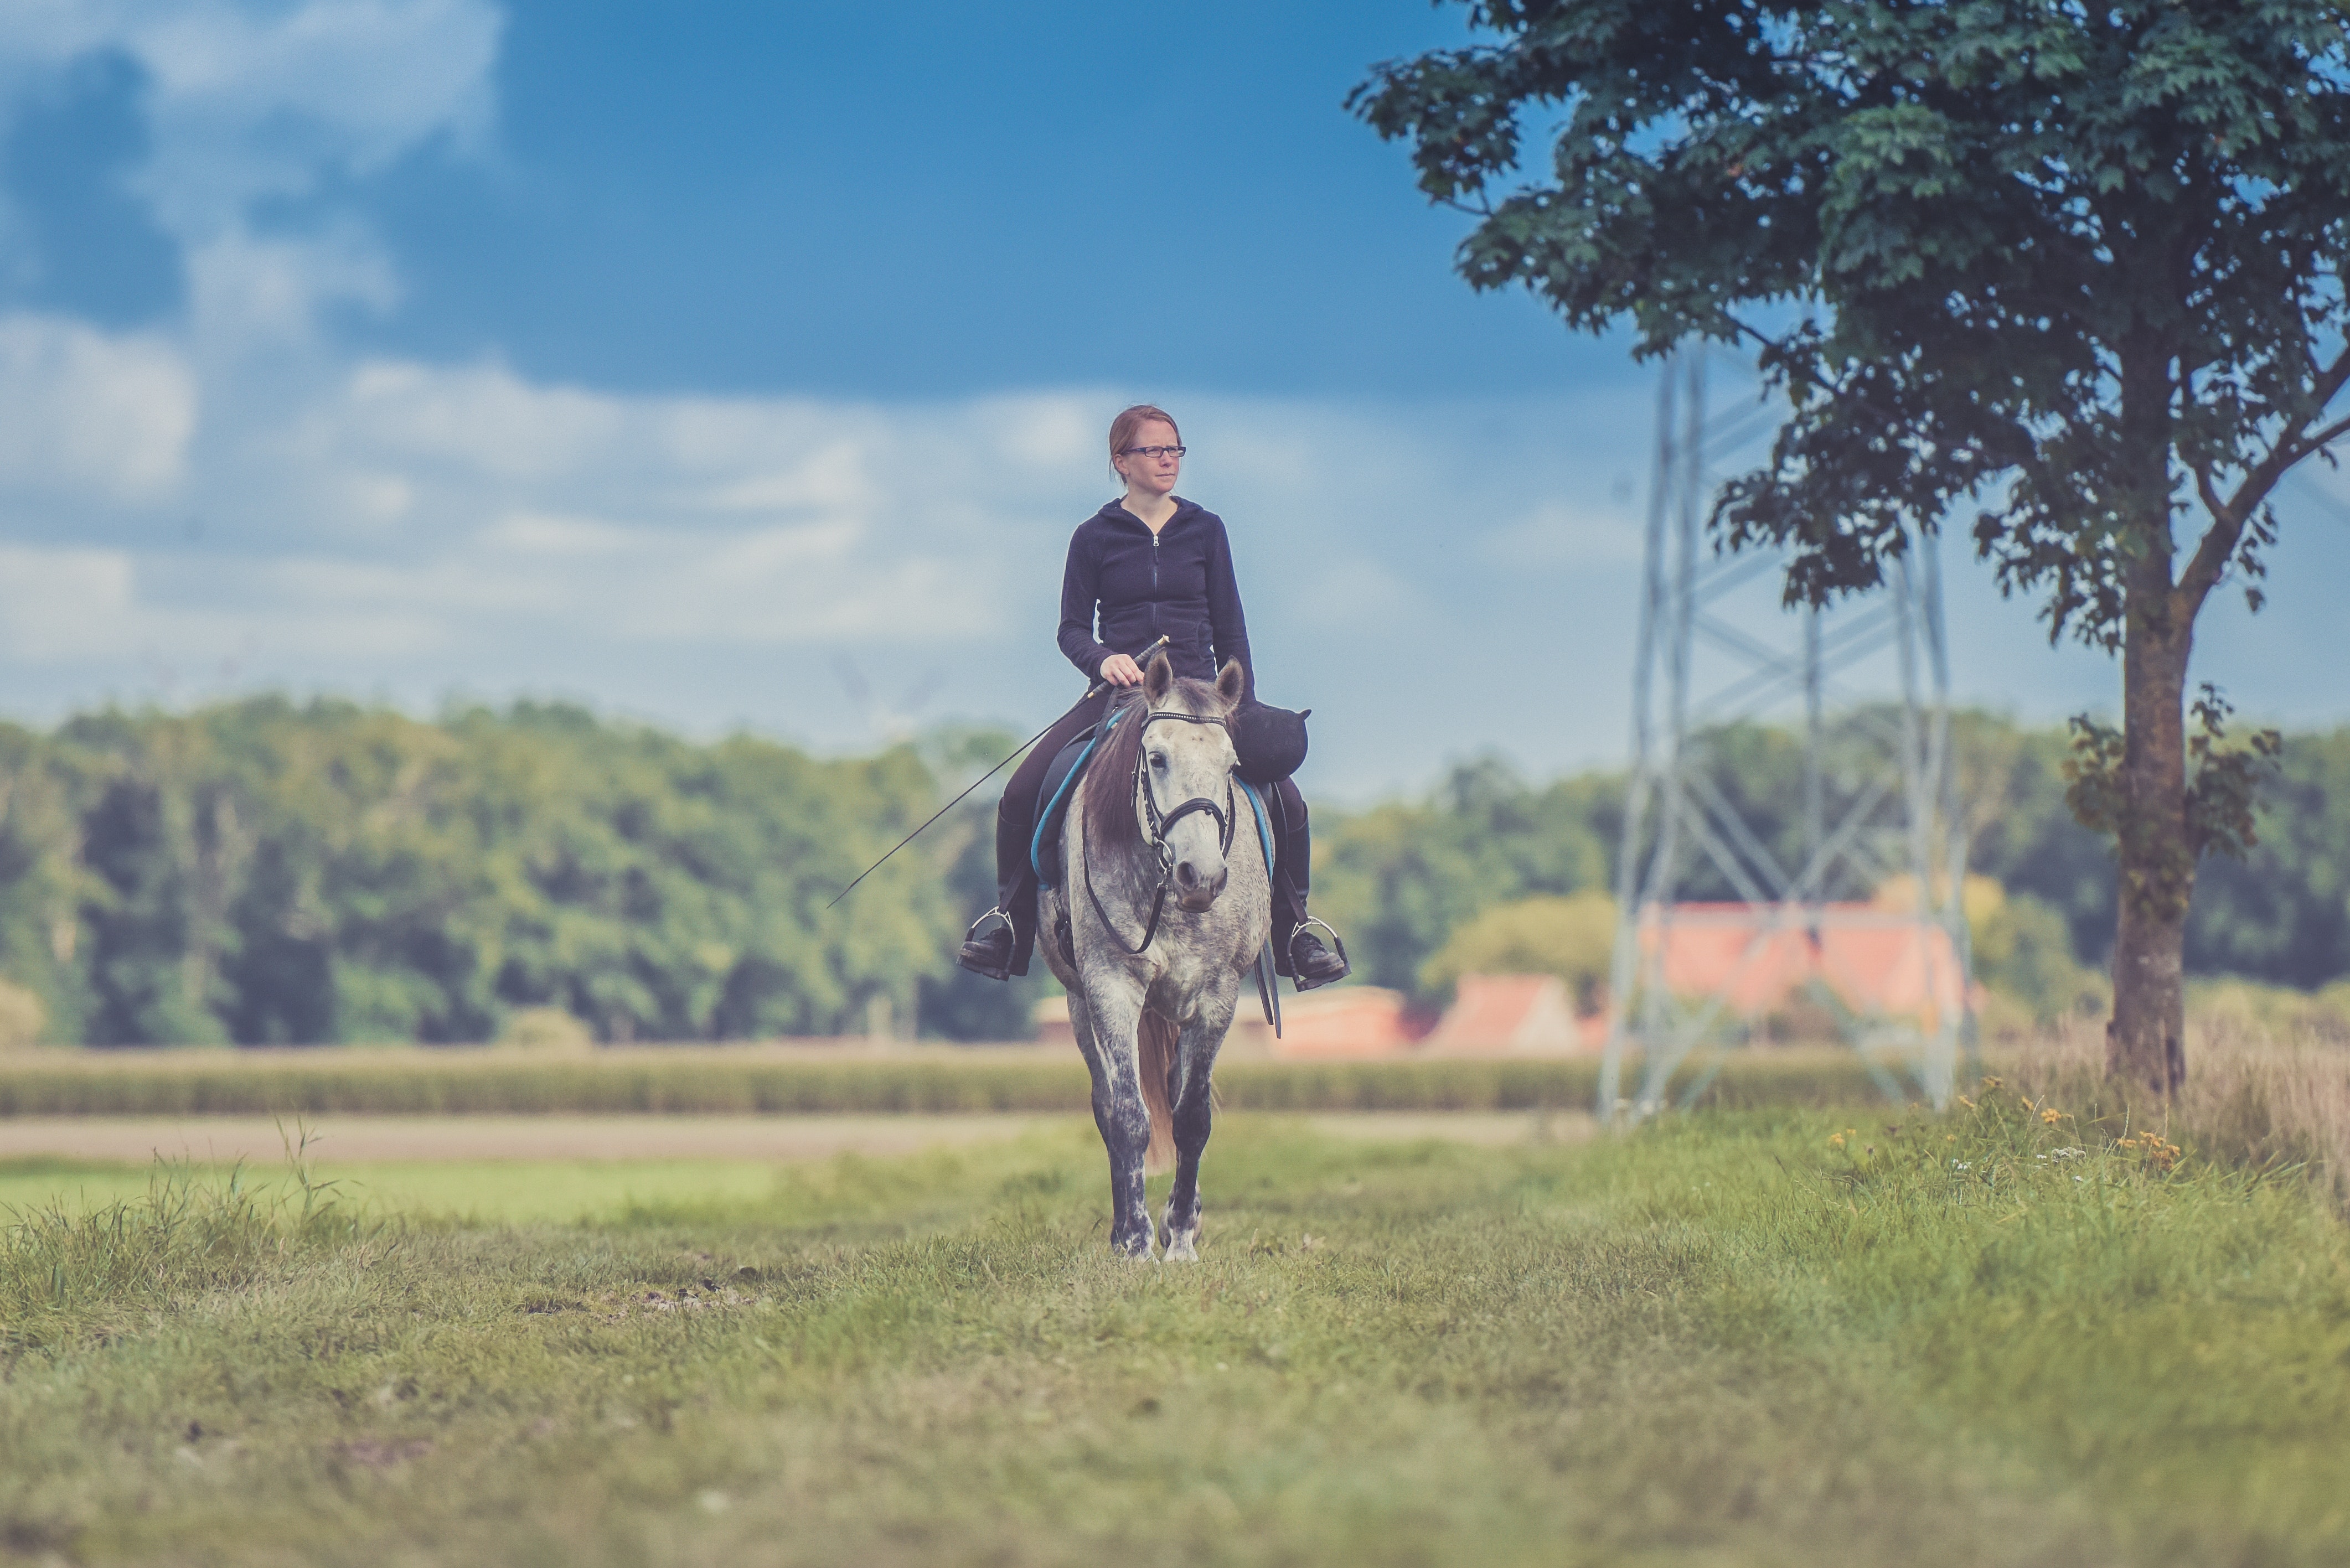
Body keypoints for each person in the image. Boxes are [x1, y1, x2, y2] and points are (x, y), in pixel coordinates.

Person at [957, 403, 1350, 990]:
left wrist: (1240, 707)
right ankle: (1007, 929)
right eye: (1154, 450)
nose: (1168, 459)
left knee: (1289, 804)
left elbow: (1231, 626)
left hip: (1202, 698)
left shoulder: (1206, 529)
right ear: (1122, 461)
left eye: (1175, 449)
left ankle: (1294, 933)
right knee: (1020, 793)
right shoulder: (1092, 537)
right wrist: (1102, 659)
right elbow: (1069, 628)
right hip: (1120, 694)